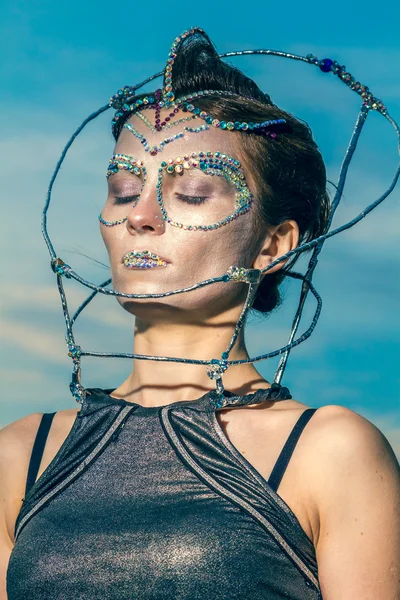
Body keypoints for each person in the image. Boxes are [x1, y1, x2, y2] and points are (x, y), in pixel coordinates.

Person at [1, 28, 399, 599]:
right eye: (122, 189)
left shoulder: (328, 450)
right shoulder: (20, 455)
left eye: (190, 193)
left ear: (274, 245)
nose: (142, 215)